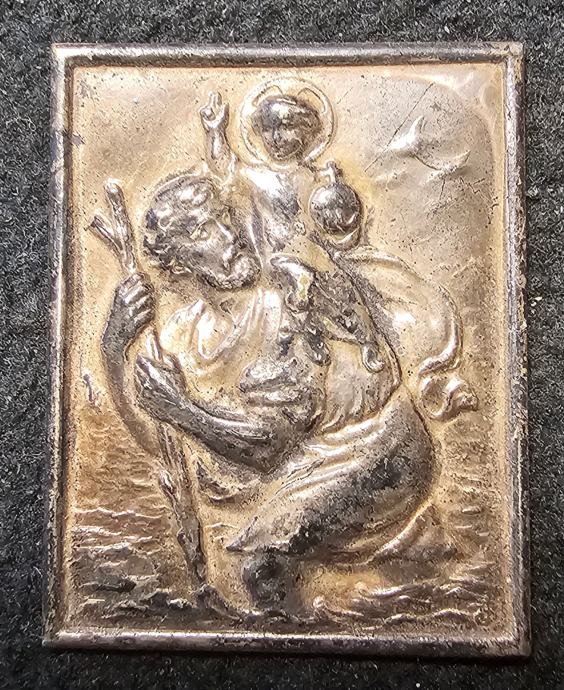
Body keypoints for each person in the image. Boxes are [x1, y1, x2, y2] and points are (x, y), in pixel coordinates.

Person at [101, 172, 435, 613]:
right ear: (179, 265)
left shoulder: (288, 300)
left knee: (263, 568)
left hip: (374, 451)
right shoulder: (182, 334)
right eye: (203, 231)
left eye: (224, 217)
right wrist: (114, 348)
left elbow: (268, 448)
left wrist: (183, 410)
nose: (229, 235)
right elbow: (162, 444)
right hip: (294, 470)